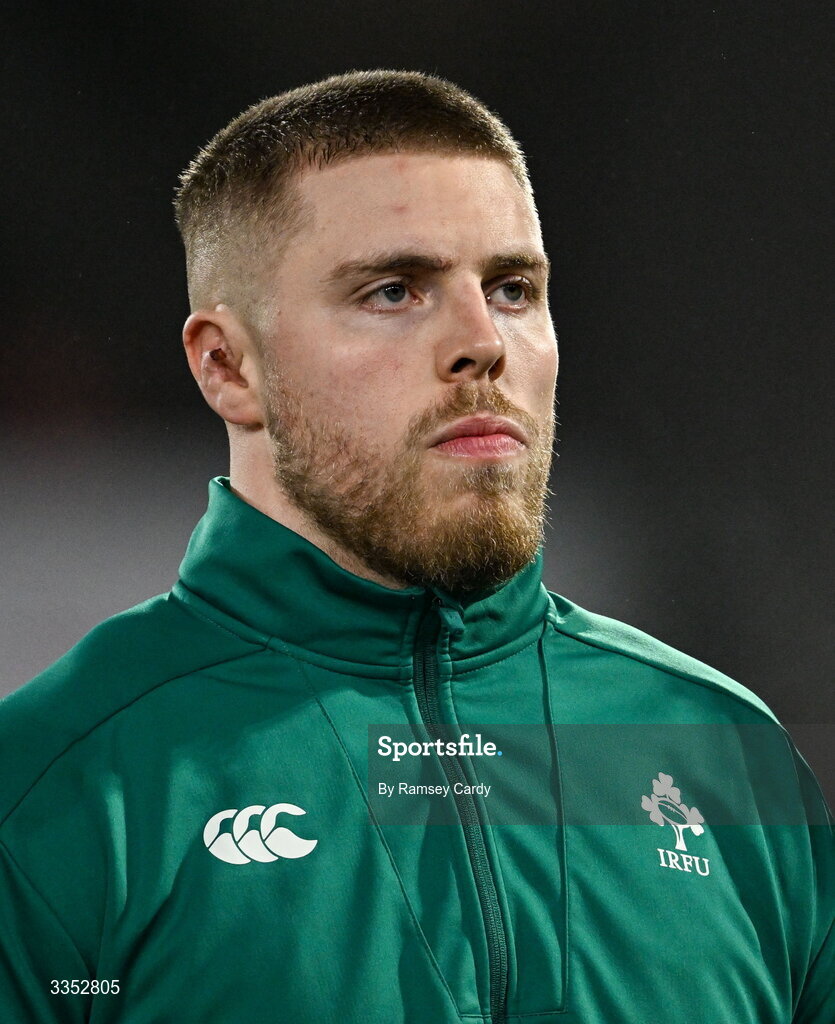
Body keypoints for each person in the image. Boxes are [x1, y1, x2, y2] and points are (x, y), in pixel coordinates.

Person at [0, 70, 831, 1024]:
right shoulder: (56, 789)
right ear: (228, 367)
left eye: (513, 288)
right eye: (394, 291)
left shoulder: (721, 753)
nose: (482, 341)